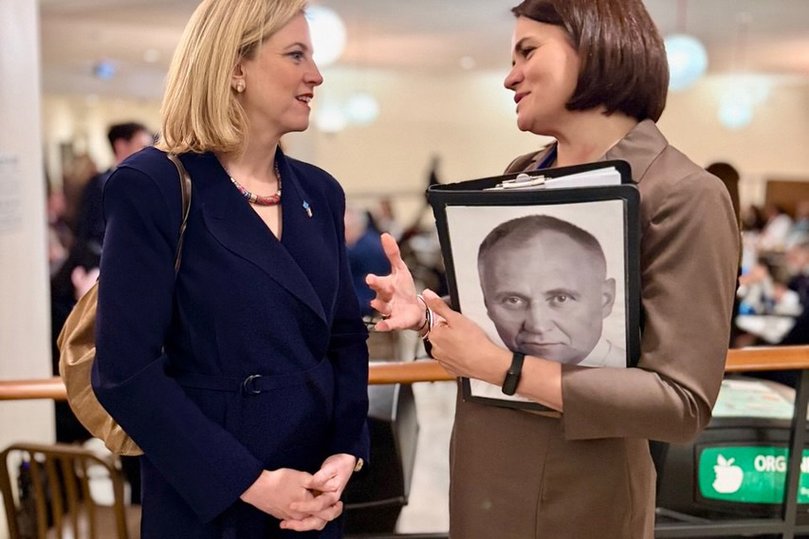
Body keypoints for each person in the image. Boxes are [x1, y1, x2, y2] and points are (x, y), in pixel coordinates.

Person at [366, 0, 739, 537]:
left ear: (595, 48)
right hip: (483, 471)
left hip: (581, 492)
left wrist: (504, 368)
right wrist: (429, 318)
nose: (509, 77)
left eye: (527, 51)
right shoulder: (523, 175)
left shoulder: (683, 194)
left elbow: (680, 402)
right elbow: (492, 344)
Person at [91, 1, 369, 536]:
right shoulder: (153, 185)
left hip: (312, 497)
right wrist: (253, 483)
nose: (316, 74)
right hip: (211, 495)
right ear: (234, 68)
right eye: (296, 55)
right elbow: (124, 373)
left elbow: (344, 338)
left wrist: (345, 451)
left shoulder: (321, 192)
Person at [477, 214, 624, 368]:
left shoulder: (641, 384)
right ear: (487, 304)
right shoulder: (476, 378)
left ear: (605, 300)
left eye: (561, 298)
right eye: (513, 300)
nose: (537, 326)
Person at [74, 122, 153, 257]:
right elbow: (92, 235)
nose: (149, 154)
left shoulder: (147, 185)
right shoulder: (102, 185)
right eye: (142, 147)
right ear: (121, 146)